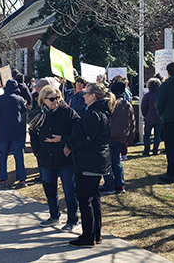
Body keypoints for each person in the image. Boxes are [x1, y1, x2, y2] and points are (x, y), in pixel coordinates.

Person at [46, 82, 111, 247]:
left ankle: (88, 236)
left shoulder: (94, 114)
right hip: (97, 161)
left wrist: (63, 139)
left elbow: (84, 140)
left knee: (84, 199)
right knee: (94, 197)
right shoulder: (102, 112)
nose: (84, 95)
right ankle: (96, 234)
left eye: (87, 93)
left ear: (93, 96)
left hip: (89, 162)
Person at [30, 85, 80, 231]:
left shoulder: (69, 113)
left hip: (65, 159)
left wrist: (65, 142)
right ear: (43, 100)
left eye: (57, 97)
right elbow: (32, 133)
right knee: (50, 189)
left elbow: (77, 133)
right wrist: (37, 151)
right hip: (46, 158)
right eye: (51, 99)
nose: (55, 101)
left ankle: (73, 220)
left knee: (69, 190)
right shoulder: (39, 115)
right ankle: (54, 216)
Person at [0, 79, 29, 188]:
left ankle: (2, 179)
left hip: (2, 131)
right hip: (17, 132)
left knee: (2, 156)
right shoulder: (20, 99)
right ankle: (22, 180)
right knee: (18, 155)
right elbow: (25, 111)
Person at [102, 81, 134, 195]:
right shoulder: (127, 104)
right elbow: (132, 121)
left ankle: (109, 185)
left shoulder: (109, 103)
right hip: (121, 136)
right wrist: (130, 137)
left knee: (107, 162)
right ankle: (120, 185)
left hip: (109, 136)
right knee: (116, 160)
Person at [141, 78, 162, 156]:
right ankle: (155, 150)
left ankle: (146, 150)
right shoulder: (160, 95)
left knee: (147, 135)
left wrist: (145, 115)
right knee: (157, 135)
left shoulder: (147, 95)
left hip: (149, 117)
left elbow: (143, 107)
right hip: (159, 117)